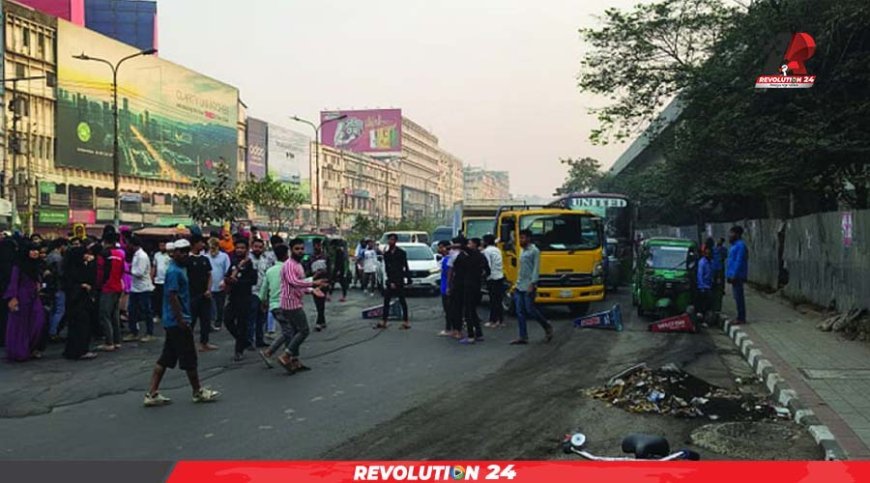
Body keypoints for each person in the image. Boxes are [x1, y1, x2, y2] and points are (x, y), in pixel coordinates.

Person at [143, 239, 221, 407]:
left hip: (174, 320)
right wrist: (181, 319)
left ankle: (152, 393)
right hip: (177, 320)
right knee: (189, 357)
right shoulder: (174, 272)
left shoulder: (180, 269)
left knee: (166, 358)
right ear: (174, 253)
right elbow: (172, 296)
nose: (184, 254)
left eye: (186, 251)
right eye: (181, 251)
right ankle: (197, 391)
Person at [270, 238, 327, 372]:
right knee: (304, 330)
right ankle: (286, 355)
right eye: (297, 249)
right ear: (291, 250)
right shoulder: (289, 265)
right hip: (290, 304)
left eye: (302, 249)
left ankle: (295, 361)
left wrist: (312, 290)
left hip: (295, 301)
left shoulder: (298, 265)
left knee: (296, 332)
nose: (300, 251)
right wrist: (313, 284)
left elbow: (299, 285)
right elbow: (293, 282)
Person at [4, 242, 47, 361]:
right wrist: (13, 298)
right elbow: (13, 282)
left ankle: (31, 347)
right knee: (20, 325)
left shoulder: (37, 265)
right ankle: (20, 351)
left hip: (34, 297)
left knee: (38, 320)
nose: (35, 252)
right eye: (32, 250)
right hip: (20, 297)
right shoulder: (18, 266)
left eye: (37, 250)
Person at [511, 229, 554, 345]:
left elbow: (536, 269)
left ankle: (546, 326)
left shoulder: (534, 251)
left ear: (529, 238)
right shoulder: (522, 250)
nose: (520, 240)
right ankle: (523, 336)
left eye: (523, 238)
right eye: (520, 238)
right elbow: (521, 269)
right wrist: (516, 284)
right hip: (520, 285)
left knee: (530, 310)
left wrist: (533, 283)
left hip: (529, 285)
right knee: (519, 312)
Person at [62, 245, 98, 360]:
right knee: (82, 326)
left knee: (75, 327)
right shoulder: (77, 268)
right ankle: (81, 350)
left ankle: (72, 350)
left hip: (74, 301)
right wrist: (83, 286)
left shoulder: (70, 267)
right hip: (79, 301)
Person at [225, 237, 257, 361]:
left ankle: (239, 351)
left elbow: (253, 280)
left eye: (242, 248)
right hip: (233, 297)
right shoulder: (233, 262)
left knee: (242, 324)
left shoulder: (250, 263)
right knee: (227, 320)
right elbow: (227, 277)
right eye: (237, 248)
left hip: (245, 298)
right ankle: (243, 340)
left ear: (246, 250)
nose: (239, 250)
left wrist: (238, 281)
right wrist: (229, 280)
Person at [257, 244, 289, 367]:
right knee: (290, 331)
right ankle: (273, 353)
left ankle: (285, 354)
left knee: (288, 330)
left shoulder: (270, 271)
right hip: (286, 304)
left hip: (274, 305)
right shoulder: (288, 269)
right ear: (287, 255)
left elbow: (264, 290)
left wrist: (263, 302)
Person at [455, 238, 488, 344]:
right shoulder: (482, 256)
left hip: (469, 285)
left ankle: (470, 335)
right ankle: (479, 333)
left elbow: (463, 248)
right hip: (477, 285)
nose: (468, 246)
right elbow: (488, 271)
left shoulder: (473, 255)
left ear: (474, 245)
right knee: (473, 310)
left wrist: (453, 246)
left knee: (468, 311)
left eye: (470, 243)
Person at [188, 234, 218, 352]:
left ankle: (204, 342)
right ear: (194, 244)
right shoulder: (187, 260)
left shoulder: (205, 259)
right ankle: (188, 344)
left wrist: (208, 289)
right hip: (192, 295)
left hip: (205, 295)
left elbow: (209, 275)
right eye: (201, 242)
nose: (203, 245)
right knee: (191, 321)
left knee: (206, 320)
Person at [97, 232, 125, 352]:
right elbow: (123, 270)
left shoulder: (103, 255)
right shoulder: (120, 254)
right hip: (118, 286)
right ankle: (117, 341)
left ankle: (109, 342)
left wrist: (97, 286)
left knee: (104, 315)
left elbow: (100, 273)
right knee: (114, 315)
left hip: (107, 287)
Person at [376, 234, 411, 330]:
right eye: (389, 240)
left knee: (402, 300)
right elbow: (387, 268)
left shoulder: (401, 253)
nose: (390, 241)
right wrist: (390, 281)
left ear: (395, 241)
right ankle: (384, 321)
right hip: (390, 279)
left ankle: (406, 321)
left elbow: (405, 266)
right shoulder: (386, 254)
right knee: (386, 300)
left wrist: (408, 278)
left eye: (392, 240)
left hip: (399, 279)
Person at [125, 236, 156, 343]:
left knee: (146, 310)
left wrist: (129, 270)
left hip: (143, 288)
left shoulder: (142, 256)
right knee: (132, 310)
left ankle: (149, 332)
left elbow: (139, 272)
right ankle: (134, 332)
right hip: (135, 287)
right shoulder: (136, 255)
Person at [248, 238, 272, 348]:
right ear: (252, 247)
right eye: (256, 246)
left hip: (263, 292)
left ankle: (259, 340)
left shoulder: (266, 260)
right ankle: (249, 341)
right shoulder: (247, 259)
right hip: (251, 292)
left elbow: (268, 275)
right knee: (251, 318)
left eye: (260, 247)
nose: (258, 249)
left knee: (261, 318)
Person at [45, 238, 68, 342]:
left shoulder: (49, 256)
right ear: (61, 246)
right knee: (60, 310)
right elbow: (61, 273)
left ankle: (50, 330)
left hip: (51, 287)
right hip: (59, 286)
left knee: (53, 310)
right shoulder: (58, 258)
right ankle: (53, 332)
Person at [206, 237, 230, 331]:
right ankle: (209, 323)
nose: (212, 248)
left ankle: (218, 322)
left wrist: (224, 281)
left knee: (220, 306)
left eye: (214, 246)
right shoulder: (205, 257)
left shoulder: (224, 256)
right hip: (209, 286)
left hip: (220, 285)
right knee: (209, 306)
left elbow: (227, 269)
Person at [482, 234, 506, 329]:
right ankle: (501, 320)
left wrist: (484, 276)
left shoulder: (487, 251)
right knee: (498, 300)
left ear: (486, 242)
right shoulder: (497, 250)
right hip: (499, 276)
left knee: (493, 300)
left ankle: (493, 320)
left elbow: (487, 265)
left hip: (492, 277)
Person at [726, 226, 749, 324]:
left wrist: (734, 274)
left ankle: (741, 317)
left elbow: (739, 261)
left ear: (737, 234)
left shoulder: (740, 246)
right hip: (732, 274)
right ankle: (739, 316)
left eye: (732, 233)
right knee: (736, 296)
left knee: (739, 296)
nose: (730, 235)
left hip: (737, 275)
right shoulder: (733, 245)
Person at [446, 236, 467, 339]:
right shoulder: (469, 253)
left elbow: (450, 271)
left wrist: (448, 285)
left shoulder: (454, 254)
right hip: (467, 283)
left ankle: (456, 330)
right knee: (463, 308)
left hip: (457, 284)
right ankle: (459, 330)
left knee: (455, 308)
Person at [311, 242, 330, 332]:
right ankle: (322, 320)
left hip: (324, 282)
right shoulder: (310, 258)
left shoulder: (326, 257)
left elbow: (330, 270)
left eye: (318, 245)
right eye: (315, 245)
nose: (317, 247)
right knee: (317, 303)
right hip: (314, 283)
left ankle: (319, 322)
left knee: (321, 302)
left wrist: (329, 282)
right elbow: (307, 270)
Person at [151, 241, 171, 324]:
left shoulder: (169, 256)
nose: (161, 247)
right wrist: (151, 277)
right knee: (157, 299)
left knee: (166, 299)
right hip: (158, 280)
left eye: (163, 245)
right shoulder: (157, 255)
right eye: (160, 245)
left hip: (166, 281)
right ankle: (157, 315)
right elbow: (154, 267)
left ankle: (165, 315)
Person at [436, 240, 453, 337]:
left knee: (448, 310)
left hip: (447, 288)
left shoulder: (448, 260)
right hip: (444, 287)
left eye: (441, 247)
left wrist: (448, 287)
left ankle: (448, 329)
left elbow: (450, 274)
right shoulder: (444, 259)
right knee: (447, 309)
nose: (439, 249)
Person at [696, 243, 714, 321]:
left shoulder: (710, 262)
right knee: (703, 305)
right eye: (706, 253)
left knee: (708, 305)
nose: (708, 255)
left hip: (709, 286)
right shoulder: (702, 262)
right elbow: (700, 275)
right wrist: (702, 286)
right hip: (703, 287)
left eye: (709, 253)